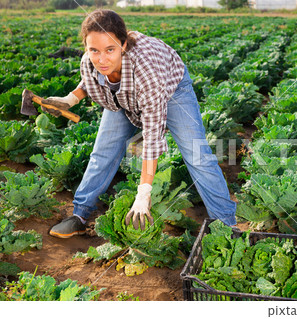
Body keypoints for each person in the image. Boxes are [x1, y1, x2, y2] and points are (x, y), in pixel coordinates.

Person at [46, 9, 236, 238]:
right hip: (122, 95)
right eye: (93, 50)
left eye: (110, 49)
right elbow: (91, 77)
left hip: (172, 89)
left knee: (197, 155)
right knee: (102, 153)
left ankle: (226, 225)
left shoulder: (147, 71)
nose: (101, 58)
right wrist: (70, 98)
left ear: (123, 45)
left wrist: (144, 192)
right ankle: (80, 215)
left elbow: (153, 135)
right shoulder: (90, 61)